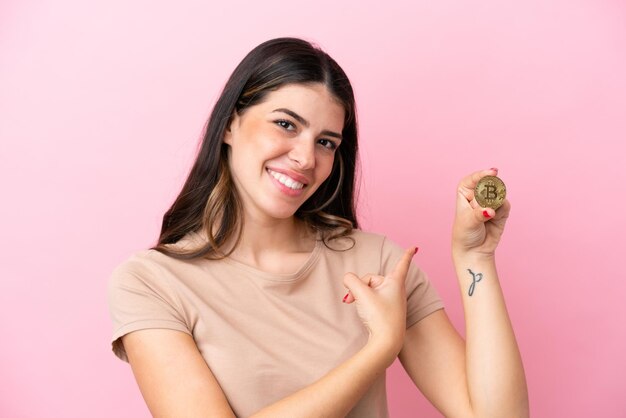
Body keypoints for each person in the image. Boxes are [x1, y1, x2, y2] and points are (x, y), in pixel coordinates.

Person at [107, 37, 529, 418]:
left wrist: (475, 258)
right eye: (286, 124)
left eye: (326, 142)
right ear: (231, 123)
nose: (306, 158)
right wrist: (377, 350)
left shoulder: (378, 264)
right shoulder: (152, 282)